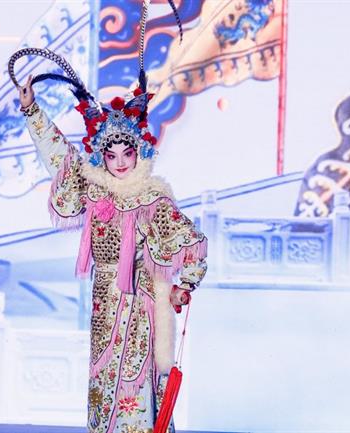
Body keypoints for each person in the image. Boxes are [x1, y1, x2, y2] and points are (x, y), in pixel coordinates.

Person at [17, 73, 208, 433]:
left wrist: (184, 285)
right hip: (104, 299)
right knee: (104, 377)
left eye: (127, 153)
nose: (120, 162)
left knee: (135, 377)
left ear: (140, 151)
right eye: (111, 155)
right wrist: (31, 109)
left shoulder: (152, 198)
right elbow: (59, 157)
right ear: (100, 156)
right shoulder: (94, 189)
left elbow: (192, 243)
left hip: (140, 303)